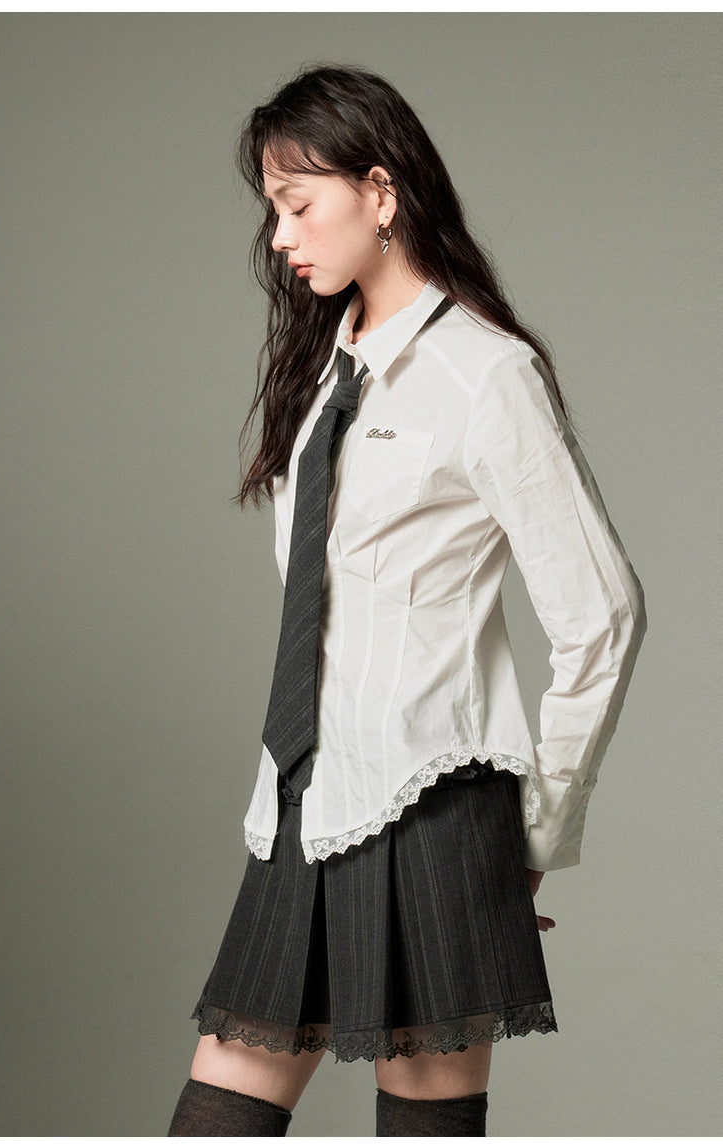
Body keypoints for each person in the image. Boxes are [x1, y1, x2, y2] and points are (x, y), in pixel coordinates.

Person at [167, 65, 646, 1137]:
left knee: (424, 1124)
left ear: (381, 191)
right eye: (273, 211)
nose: (282, 237)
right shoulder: (325, 376)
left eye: (299, 205)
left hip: (432, 807)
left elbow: (604, 613)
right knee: (218, 1112)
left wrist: (534, 833)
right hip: (302, 799)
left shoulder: (486, 374)